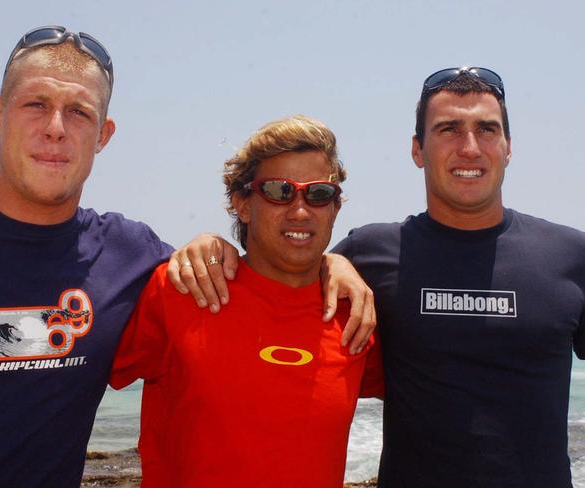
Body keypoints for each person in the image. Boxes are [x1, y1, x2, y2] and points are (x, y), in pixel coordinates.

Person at [169, 67, 585, 487]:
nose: (470, 147)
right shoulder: (370, 255)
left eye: (487, 129)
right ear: (417, 150)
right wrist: (213, 246)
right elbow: (282, 272)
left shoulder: (571, 256)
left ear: (508, 147)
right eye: (448, 129)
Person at [0, 26, 174, 487]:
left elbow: (242, 294)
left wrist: (332, 267)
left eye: (79, 112)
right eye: (36, 104)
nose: (55, 128)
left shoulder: (130, 255)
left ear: (103, 134)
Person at [110, 115, 383, 487]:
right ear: (242, 203)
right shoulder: (184, 288)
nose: (300, 209)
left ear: (335, 208)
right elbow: (69, 382)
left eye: (318, 193)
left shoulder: (355, 314)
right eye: (279, 190)